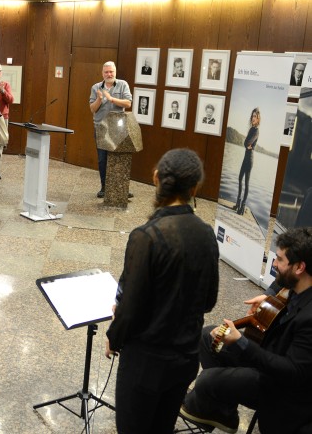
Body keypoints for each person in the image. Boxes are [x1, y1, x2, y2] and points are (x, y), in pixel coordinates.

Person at [105, 148, 219, 434]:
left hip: (146, 365)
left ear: (156, 178)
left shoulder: (146, 236)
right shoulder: (207, 234)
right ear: (195, 188)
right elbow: (209, 301)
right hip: (185, 360)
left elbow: (129, 309)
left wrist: (114, 337)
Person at [180, 227, 312, 434]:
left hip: (280, 387)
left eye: (279, 260)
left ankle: (209, 400)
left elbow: (293, 372)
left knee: (206, 381)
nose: (274, 264)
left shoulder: (309, 318)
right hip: (268, 356)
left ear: (299, 267)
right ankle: (224, 413)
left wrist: (242, 344)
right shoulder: (298, 286)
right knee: (207, 337)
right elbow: (280, 292)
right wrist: (269, 300)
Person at [89, 61, 133, 198]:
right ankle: (104, 187)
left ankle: (121, 188)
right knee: (103, 159)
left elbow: (128, 103)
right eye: (106, 72)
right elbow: (92, 109)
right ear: (102, 73)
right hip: (101, 128)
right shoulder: (96, 87)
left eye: (111, 72)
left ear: (115, 72)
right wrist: (99, 99)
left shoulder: (123, 84)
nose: (109, 74)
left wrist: (111, 99)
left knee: (119, 159)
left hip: (118, 128)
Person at [232, 108, 260, 215]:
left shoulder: (256, 131)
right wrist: (247, 144)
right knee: (240, 178)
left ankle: (242, 207)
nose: (253, 118)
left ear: (258, 119)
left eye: (255, 117)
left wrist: (248, 144)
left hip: (250, 159)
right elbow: (245, 143)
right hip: (245, 157)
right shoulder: (251, 129)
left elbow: (248, 142)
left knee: (246, 183)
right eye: (252, 116)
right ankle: (238, 203)